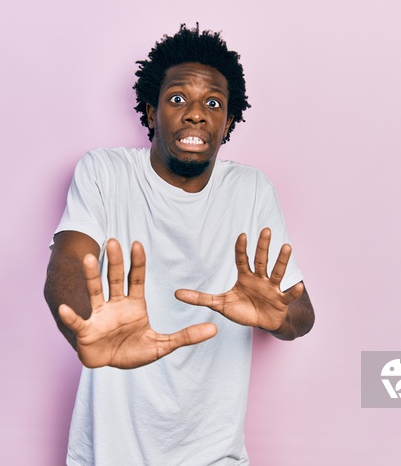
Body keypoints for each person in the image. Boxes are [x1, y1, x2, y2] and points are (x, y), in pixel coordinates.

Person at [44, 23, 315, 465]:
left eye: (212, 102)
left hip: (215, 456)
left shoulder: (251, 190)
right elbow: (69, 263)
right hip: (110, 453)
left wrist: (279, 315)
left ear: (227, 121)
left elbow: (302, 315)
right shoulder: (105, 172)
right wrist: (84, 327)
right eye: (177, 99)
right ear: (151, 112)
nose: (195, 113)